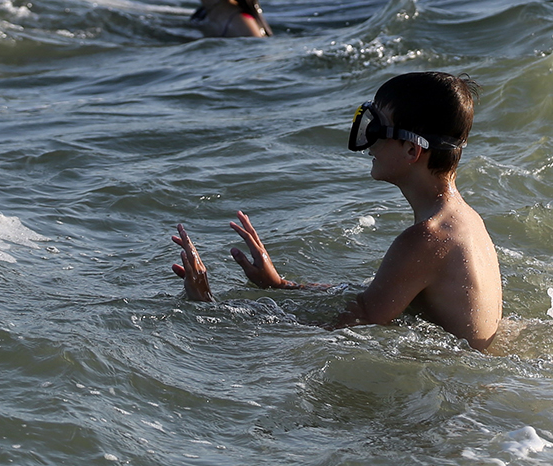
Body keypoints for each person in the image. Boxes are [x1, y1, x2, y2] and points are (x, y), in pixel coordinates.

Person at [168, 72, 503, 351]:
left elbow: (350, 323)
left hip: (452, 400)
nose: (369, 144)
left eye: (375, 129)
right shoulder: (464, 221)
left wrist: (212, 308)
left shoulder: (427, 238)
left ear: (412, 150)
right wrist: (282, 285)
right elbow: (370, 299)